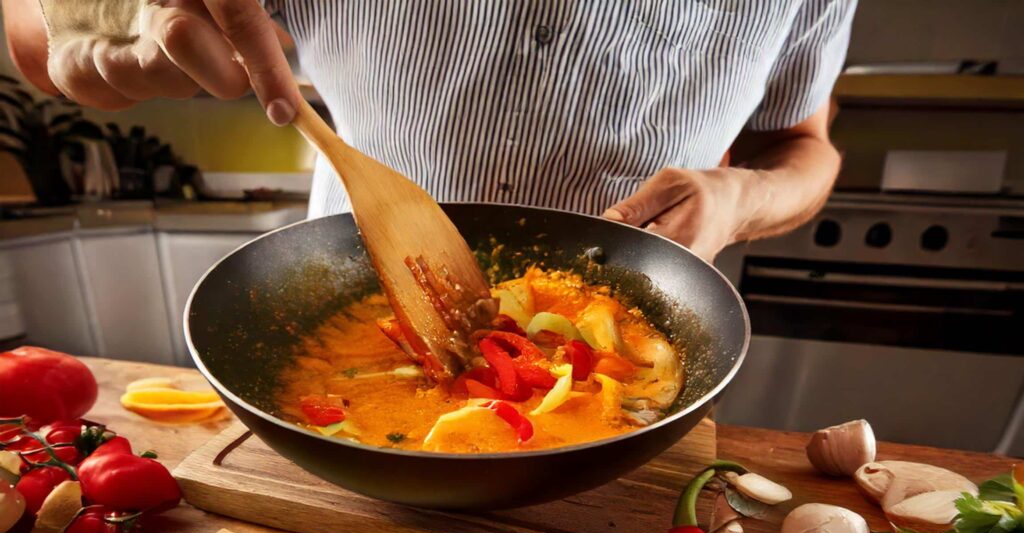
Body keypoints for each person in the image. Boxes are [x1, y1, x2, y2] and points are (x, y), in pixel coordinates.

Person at [2, 0, 855, 262]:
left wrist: (740, 195)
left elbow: (803, 149)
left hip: (642, 354)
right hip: (353, 301)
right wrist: (95, 12)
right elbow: (38, 46)